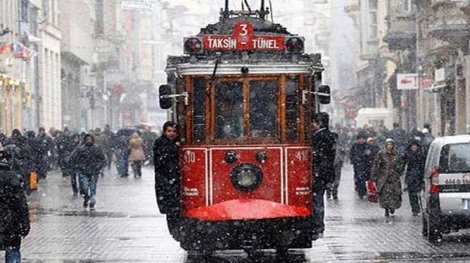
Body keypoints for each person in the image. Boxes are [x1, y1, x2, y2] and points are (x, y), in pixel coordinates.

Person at [0, 149, 30, 263]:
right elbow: (21, 205)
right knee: (13, 250)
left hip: (8, 221)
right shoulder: (15, 179)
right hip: (12, 223)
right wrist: (25, 224)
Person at [153, 121, 181, 238]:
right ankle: (174, 230)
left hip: (174, 179)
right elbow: (161, 161)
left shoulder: (177, 143)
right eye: (169, 131)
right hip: (165, 179)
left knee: (176, 207)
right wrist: (175, 148)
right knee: (171, 207)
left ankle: (177, 230)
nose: (172, 134)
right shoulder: (160, 143)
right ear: (165, 131)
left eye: (174, 131)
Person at [311, 113, 336, 239]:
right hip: (323, 174)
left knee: (317, 201)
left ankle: (318, 226)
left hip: (319, 174)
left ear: (319, 123)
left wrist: (317, 171)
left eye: (314, 123)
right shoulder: (328, 136)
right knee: (318, 200)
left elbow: (323, 158)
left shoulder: (320, 137)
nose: (311, 125)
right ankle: (318, 226)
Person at [69, 134, 106, 209]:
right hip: (83, 171)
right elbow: (73, 158)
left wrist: (98, 167)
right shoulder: (80, 149)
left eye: (90, 139)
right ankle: (86, 198)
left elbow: (103, 159)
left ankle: (92, 200)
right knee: (84, 187)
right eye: (87, 139)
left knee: (92, 187)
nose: (89, 141)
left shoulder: (96, 148)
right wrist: (77, 166)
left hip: (93, 171)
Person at [371, 138, 404, 217]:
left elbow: (400, 164)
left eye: (391, 145)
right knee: (385, 194)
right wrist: (375, 176)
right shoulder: (381, 154)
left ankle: (392, 207)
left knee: (394, 193)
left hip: (394, 177)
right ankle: (386, 208)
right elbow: (376, 165)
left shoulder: (397, 154)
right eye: (388, 145)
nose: (389, 146)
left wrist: (399, 170)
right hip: (384, 177)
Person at [403, 140, 426, 216]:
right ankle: (415, 209)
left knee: (420, 194)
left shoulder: (421, 154)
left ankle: (422, 208)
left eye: (415, 146)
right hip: (411, 177)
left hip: (420, 176)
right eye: (413, 146)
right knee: (412, 194)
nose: (414, 147)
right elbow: (403, 164)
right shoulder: (408, 154)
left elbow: (423, 165)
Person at [350, 133, 369, 199]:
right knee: (359, 177)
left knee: (365, 178)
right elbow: (351, 153)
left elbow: (369, 154)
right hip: (357, 164)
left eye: (362, 139)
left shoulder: (366, 145)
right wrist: (353, 160)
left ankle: (364, 190)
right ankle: (360, 191)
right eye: (359, 139)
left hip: (365, 164)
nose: (361, 140)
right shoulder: (355, 145)